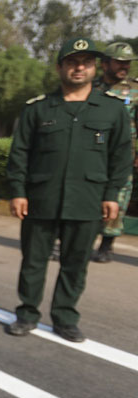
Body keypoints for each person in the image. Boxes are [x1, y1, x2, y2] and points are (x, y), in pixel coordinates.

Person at [5, 38, 132, 342]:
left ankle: (65, 318)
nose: (79, 68)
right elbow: (19, 152)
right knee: (33, 261)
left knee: (75, 264)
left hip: (88, 199)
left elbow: (121, 156)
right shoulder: (38, 109)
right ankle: (27, 314)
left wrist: (112, 195)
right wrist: (18, 191)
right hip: (41, 197)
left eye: (86, 62)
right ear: (60, 66)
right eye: (72, 62)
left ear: (95, 67)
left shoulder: (113, 110)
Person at [91, 42, 138, 262]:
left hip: (122, 156)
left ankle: (106, 246)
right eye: (120, 62)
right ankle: (75, 242)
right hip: (93, 152)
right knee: (87, 197)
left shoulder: (135, 89)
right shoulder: (91, 87)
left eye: (127, 63)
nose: (124, 67)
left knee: (118, 199)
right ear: (105, 63)